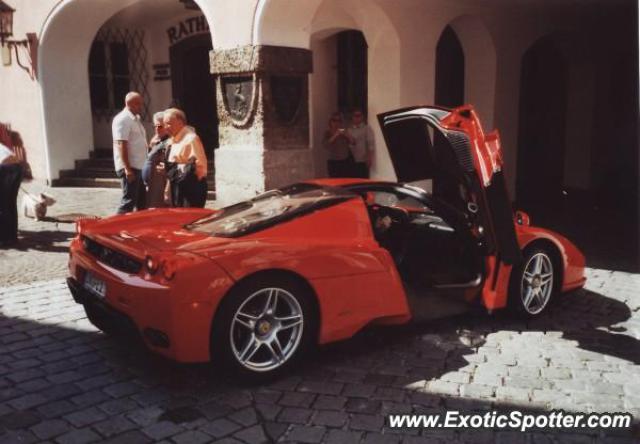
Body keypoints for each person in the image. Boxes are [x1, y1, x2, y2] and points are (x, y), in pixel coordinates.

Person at [163, 108, 208, 208]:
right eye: (164, 124)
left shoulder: (191, 139)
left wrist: (171, 169)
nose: (165, 127)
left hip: (190, 190)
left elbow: (200, 169)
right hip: (177, 188)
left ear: (180, 122)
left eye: (168, 123)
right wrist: (167, 189)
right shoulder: (171, 140)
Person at [112, 91, 148, 214]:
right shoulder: (123, 119)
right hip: (131, 166)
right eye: (138, 104)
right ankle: (116, 227)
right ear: (129, 104)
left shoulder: (135, 119)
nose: (140, 106)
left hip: (139, 165)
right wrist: (127, 169)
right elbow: (121, 144)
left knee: (142, 201)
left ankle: (141, 226)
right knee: (129, 201)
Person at [142, 112, 170, 208]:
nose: (157, 129)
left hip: (160, 183)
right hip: (152, 183)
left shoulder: (170, 141)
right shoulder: (156, 140)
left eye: (160, 126)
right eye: (155, 126)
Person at [0, 142, 23, 246]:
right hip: (17, 167)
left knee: (2, 205)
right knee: (10, 203)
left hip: (4, 168)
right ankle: (12, 236)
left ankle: (4, 238)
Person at [323, 113, 354, 178]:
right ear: (330, 122)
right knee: (334, 182)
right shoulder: (327, 132)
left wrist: (347, 135)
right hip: (333, 162)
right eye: (334, 120)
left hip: (345, 161)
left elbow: (353, 142)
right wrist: (335, 135)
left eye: (339, 120)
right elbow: (326, 145)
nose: (336, 123)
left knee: (345, 181)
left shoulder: (344, 131)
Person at [348, 108, 375, 178]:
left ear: (362, 117)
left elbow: (370, 143)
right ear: (352, 117)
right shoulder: (349, 129)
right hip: (351, 160)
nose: (356, 118)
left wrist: (369, 157)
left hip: (362, 160)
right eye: (355, 115)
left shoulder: (366, 128)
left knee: (362, 181)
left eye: (358, 115)